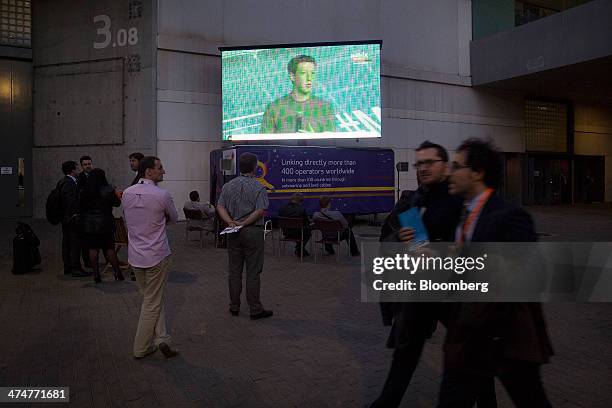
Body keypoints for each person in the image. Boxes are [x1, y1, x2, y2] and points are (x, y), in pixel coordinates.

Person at [437, 138, 553, 407]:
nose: (449, 172)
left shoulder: (510, 215)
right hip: (467, 335)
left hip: (505, 336)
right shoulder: (464, 214)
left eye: (456, 166)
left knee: (531, 399)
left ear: (477, 173)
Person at [371, 141, 478, 408]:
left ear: (445, 165)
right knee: (406, 352)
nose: (423, 168)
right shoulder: (414, 199)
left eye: (430, 162)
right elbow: (397, 238)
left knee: (470, 351)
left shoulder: (458, 198)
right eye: (420, 164)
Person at [122, 156, 179, 359]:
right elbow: (175, 219)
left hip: (135, 256)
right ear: (148, 172)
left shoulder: (127, 193)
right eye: (160, 168)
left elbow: (128, 219)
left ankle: (162, 338)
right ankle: (141, 347)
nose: (163, 171)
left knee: (151, 299)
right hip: (157, 255)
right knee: (151, 303)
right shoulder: (162, 195)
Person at [216, 153, 273, 320]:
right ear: (255, 167)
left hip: (233, 232)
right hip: (252, 231)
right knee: (253, 272)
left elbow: (220, 206)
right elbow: (260, 210)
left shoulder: (228, 186)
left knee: (234, 271)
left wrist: (231, 222)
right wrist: (245, 223)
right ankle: (255, 308)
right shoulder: (259, 187)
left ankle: (234, 306)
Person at [260, 55, 336, 134]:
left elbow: (331, 143)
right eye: (303, 73)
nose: (309, 78)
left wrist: (314, 139)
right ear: (292, 76)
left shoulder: (325, 108)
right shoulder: (274, 108)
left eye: (312, 73)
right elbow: (264, 143)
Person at [79, 168, 125, 283]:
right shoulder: (108, 190)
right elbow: (117, 203)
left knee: (93, 249)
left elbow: (81, 206)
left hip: (89, 225)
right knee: (109, 248)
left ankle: (96, 275)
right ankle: (117, 273)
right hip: (105, 223)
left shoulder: (85, 190)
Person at [59, 161, 89, 277]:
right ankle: (75, 268)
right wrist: (75, 214)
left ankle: (68, 266)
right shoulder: (69, 183)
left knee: (67, 242)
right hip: (72, 219)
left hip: (66, 219)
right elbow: (70, 202)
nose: (79, 171)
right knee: (74, 244)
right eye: (77, 168)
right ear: (72, 171)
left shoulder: (63, 182)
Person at [278, 193, 311, 257]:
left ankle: (299, 248)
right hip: (299, 234)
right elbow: (307, 222)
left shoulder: (282, 208)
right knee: (308, 231)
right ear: (300, 201)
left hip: (286, 233)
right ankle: (299, 248)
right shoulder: (301, 209)